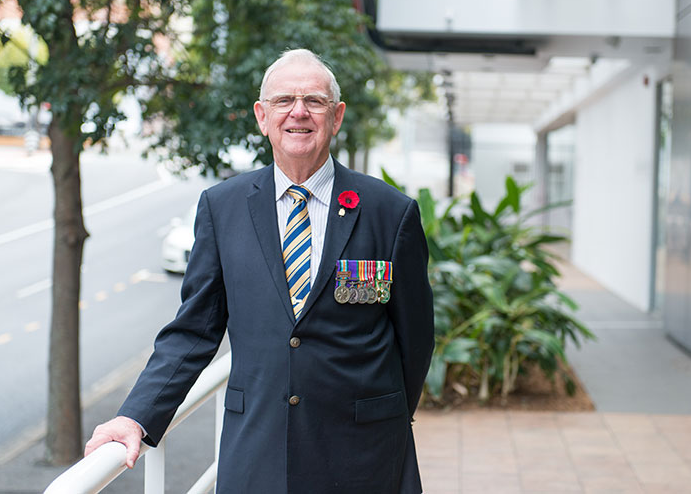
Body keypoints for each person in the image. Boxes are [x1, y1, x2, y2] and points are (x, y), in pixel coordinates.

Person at [84, 48, 434, 493]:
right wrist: (134, 416)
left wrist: (382, 413)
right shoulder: (222, 207)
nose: (299, 112)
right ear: (262, 116)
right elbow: (194, 331)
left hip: (364, 454)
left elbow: (415, 339)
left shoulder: (390, 212)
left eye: (315, 101)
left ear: (337, 115)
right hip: (259, 454)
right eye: (284, 101)